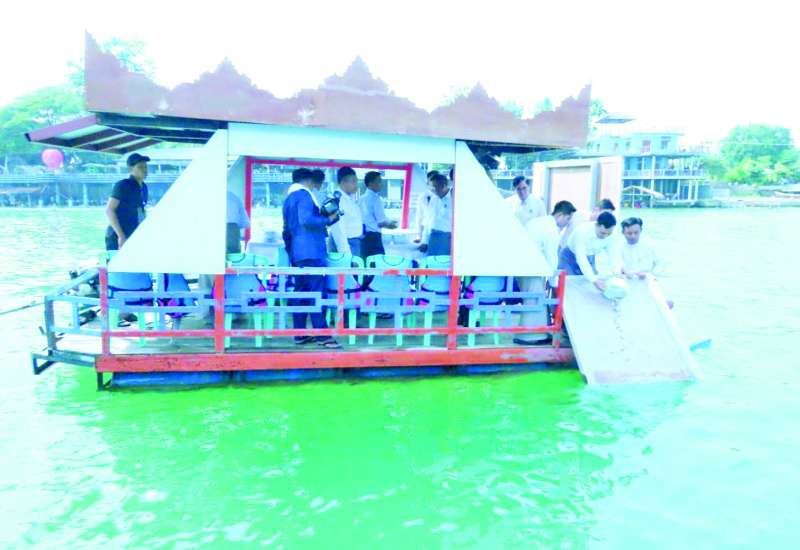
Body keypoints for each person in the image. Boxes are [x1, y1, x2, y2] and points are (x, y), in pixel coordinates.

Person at [281, 168, 341, 348]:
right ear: (308, 180)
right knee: (317, 292)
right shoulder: (304, 195)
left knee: (301, 292)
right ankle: (323, 335)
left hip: (297, 253)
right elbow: (306, 219)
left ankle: (299, 332)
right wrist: (328, 219)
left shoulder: (288, 199)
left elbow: (287, 230)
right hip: (311, 251)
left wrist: (292, 252)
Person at [514, 200, 576, 345]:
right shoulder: (551, 230)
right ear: (560, 215)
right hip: (531, 267)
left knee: (533, 299)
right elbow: (552, 257)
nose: (567, 223)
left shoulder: (538, 221)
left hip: (523, 265)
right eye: (567, 218)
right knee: (534, 300)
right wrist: (554, 282)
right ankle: (530, 336)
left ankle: (537, 333)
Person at [558, 211, 620, 291]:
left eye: (609, 234)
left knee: (589, 287)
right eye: (603, 233)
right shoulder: (582, 231)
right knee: (568, 286)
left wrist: (617, 272)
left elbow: (613, 255)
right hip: (569, 257)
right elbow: (581, 258)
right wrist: (594, 280)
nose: (605, 236)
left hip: (590, 256)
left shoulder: (612, 235)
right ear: (596, 225)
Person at [105, 153, 150, 250]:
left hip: (134, 234)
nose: (144, 170)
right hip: (116, 236)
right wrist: (121, 236)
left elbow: (141, 211)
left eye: (145, 167)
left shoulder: (144, 187)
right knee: (114, 259)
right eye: (140, 167)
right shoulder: (123, 185)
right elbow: (109, 210)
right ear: (130, 169)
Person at [359, 171, 397, 259]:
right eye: (379, 181)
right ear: (370, 183)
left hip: (362, 237)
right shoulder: (376, 199)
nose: (381, 184)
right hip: (374, 238)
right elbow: (381, 222)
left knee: (365, 263)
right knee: (378, 263)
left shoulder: (360, 199)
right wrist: (391, 225)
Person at [328, 166, 364, 258]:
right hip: (346, 245)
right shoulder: (338, 200)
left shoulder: (349, 198)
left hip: (354, 243)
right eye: (353, 182)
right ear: (343, 182)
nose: (356, 185)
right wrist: (347, 256)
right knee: (348, 267)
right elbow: (339, 230)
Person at [419, 173, 452, 256]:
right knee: (431, 262)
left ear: (443, 186)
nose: (431, 190)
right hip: (433, 236)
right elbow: (428, 220)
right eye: (430, 187)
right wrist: (424, 241)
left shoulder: (454, 198)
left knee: (443, 262)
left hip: (447, 237)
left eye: (433, 187)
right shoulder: (433, 199)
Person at [414, 170, 439, 243]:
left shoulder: (446, 196)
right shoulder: (423, 196)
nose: (433, 182)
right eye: (431, 180)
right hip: (426, 229)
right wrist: (419, 235)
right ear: (427, 182)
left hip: (440, 231)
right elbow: (419, 216)